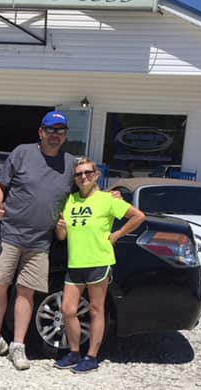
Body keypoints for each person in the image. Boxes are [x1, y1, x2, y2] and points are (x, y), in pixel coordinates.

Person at [0, 111, 76, 371]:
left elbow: (86, 190)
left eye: (60, 131)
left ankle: (18, 346)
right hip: (9, 234)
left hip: (40, 242)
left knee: (26, 292)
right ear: (41, 132)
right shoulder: (22, 152)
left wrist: (113, 196)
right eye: (50, 130)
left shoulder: (70, 164)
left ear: (65, 135)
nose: (55, 135)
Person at [54, 157, 145, 374]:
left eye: (88, 172)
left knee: (96, 310)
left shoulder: (107, 199)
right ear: (74, 178)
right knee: (67, 310)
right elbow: (62, 236)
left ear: (96, 175)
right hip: (75, 262)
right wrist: (60, 228)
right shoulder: (70, 201)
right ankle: (74, 352)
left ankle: (92, 356)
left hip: (99, 261)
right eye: (79, 174)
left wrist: (117, 234)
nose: (83, 176)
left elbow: (138, 216)